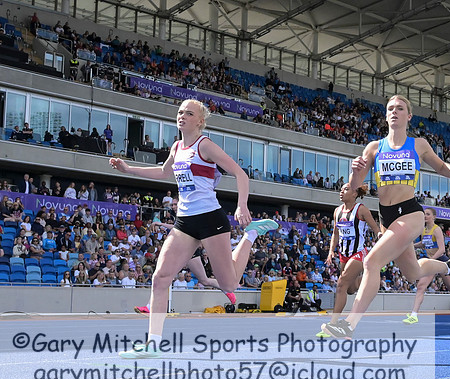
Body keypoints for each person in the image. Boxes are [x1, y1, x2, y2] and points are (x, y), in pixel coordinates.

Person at [111, 99, 278, 358]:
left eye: (189, 113)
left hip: (211, 218)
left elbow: (240, 174)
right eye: (180, 112)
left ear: (200, 121)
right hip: (185, 221)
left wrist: (241, 206)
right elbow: (164, 173)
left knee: (230, 285)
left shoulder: (205, 145)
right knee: (160, 277)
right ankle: (153, 344)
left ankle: (250, 234)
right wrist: (128, 168)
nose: (182, 116)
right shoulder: (177, 147)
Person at [322, 95, 450, 339]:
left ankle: (349, 324)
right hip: (387, 216)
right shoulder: (373, 148)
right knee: (413, 273)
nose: (394, 111)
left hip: (410, 212)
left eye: (400, 108)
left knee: (372, 262)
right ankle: (448, 266)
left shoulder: (418, 144)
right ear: (385, 116)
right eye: (390, 108)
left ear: (408, 116)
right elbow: (355, 187)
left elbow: (441, 166)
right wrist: (354, 173)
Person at [317, 183, 381, 337]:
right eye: (341, 189)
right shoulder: (337, 211)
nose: (341, 191)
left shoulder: (361, 210)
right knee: (350, 289)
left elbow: (375, 227)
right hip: (343, 254)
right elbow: (336, 233)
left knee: (341, 284)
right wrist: (331, 251)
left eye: (345, 189)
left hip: (358, 253)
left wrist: (380, 238)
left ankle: (332, 324)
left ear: (354, 194)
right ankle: (367, 281)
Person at [403, 208, 450, 324]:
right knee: (421, 286)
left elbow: (442, 249)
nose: (425, 216)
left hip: (441, 260)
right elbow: (423, 244)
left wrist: (431, 261)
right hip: (431, 261)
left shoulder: (436, 230)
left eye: (428, 214)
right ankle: (414, 315)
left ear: (434, 217)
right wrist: (412, 245)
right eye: (424, 214)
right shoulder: (424, 230)